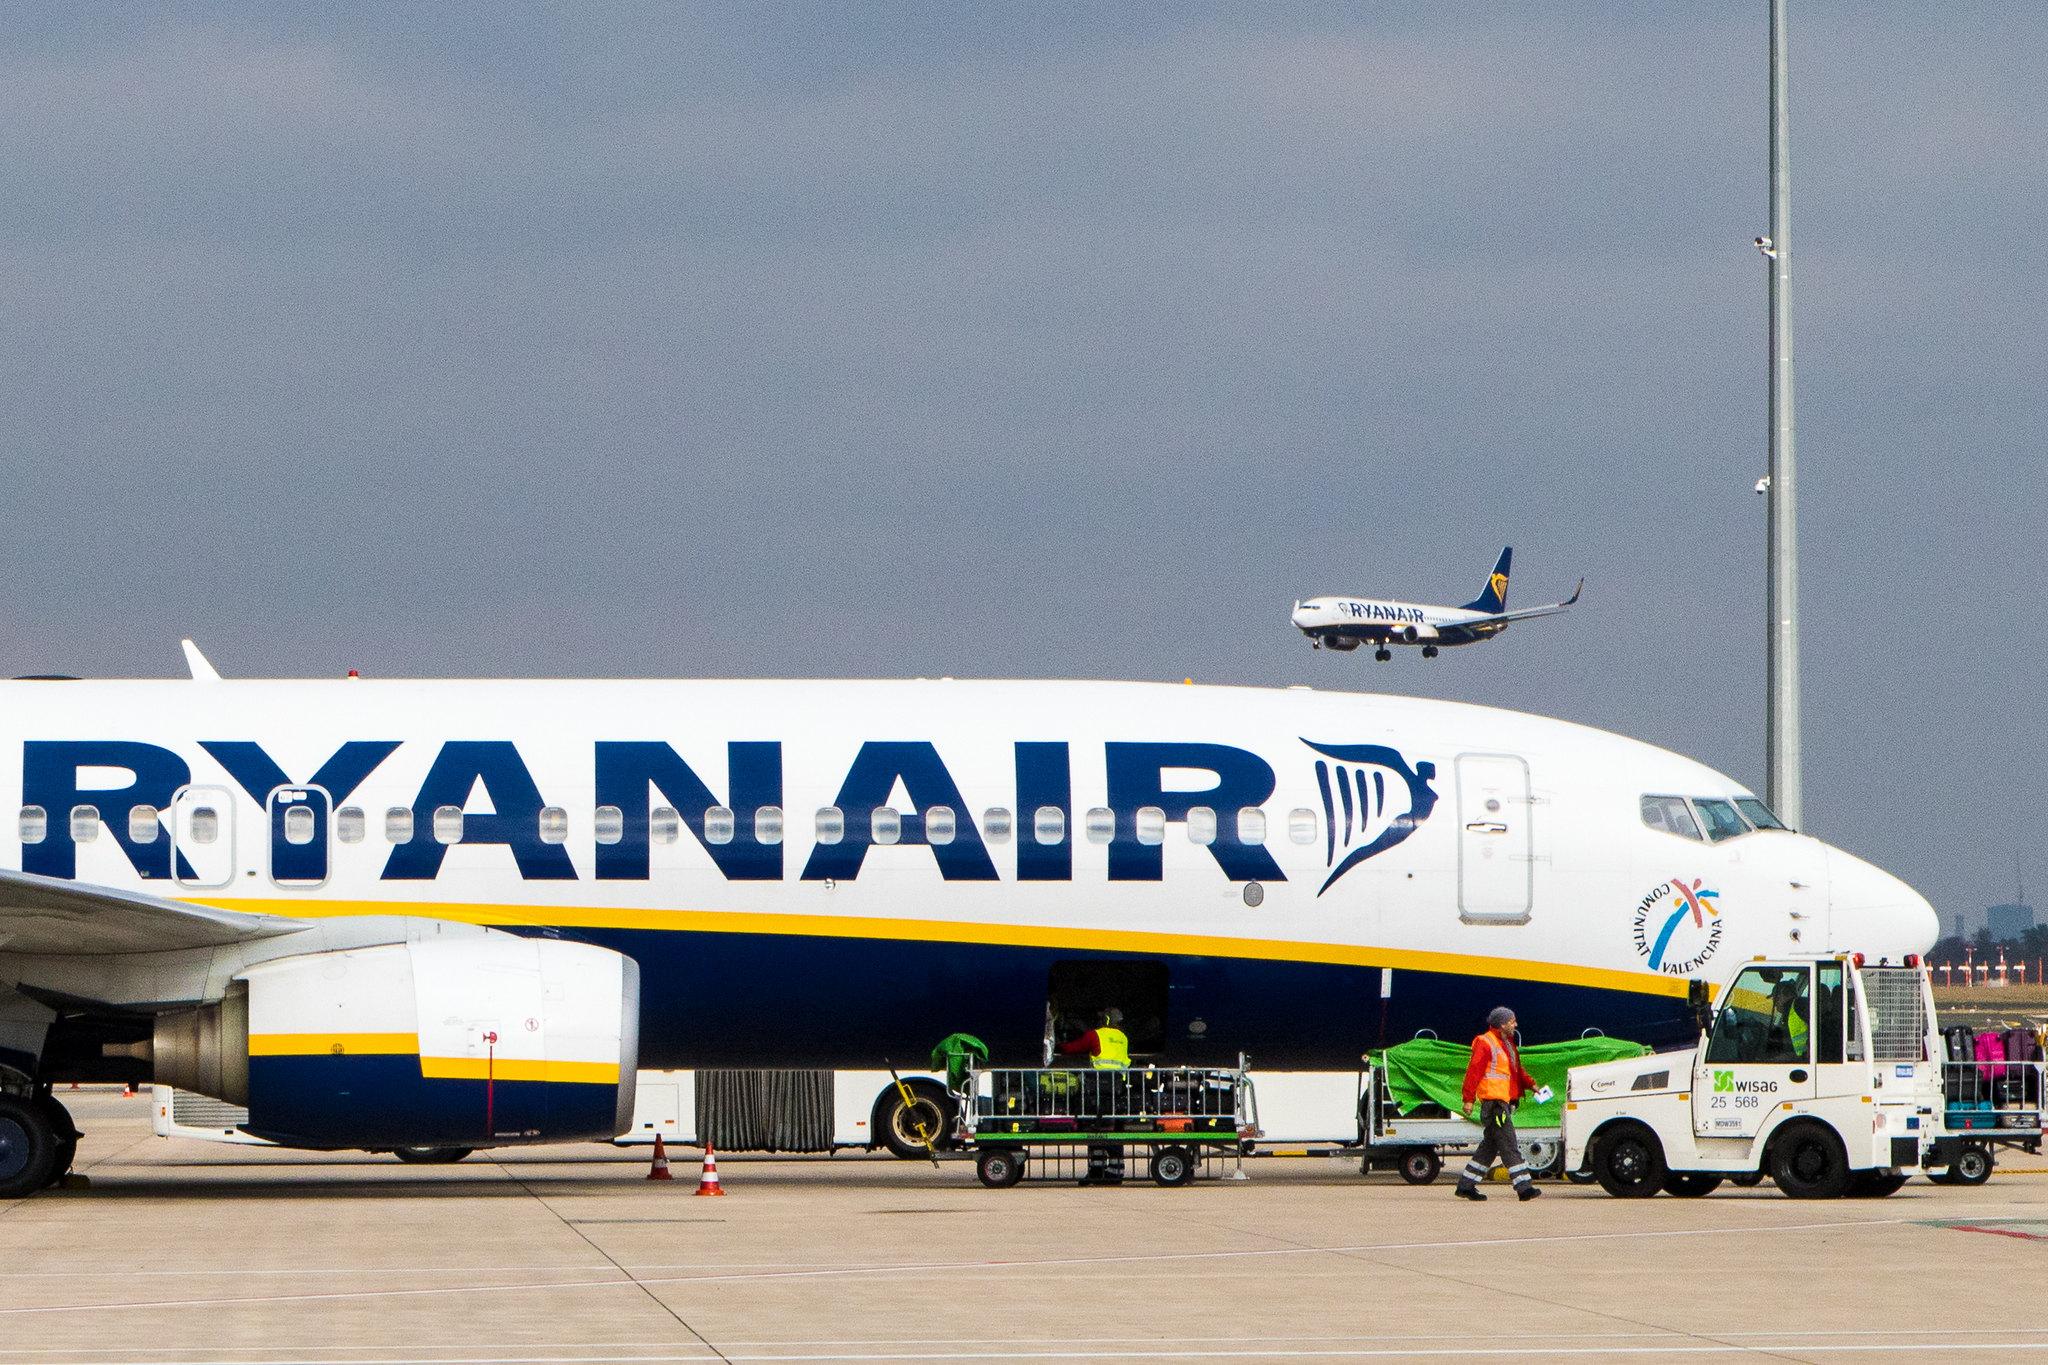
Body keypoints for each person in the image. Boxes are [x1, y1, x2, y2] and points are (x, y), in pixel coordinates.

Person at [1455, 1005, 1542, 1202]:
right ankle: (1524, 1188)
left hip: (1502, 1102)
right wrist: (1468, 1099)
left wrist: (1531, 1085)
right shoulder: (1486, 1043)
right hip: (1494, 1105)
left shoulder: (1506, 1044)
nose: (1516, 1024)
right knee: (1509, 1144)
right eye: (1512, 1021)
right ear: (1502, 1024)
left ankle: (1465, 1186)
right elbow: (1473, 1072)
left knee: (1489, 1147)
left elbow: (1515, 1071)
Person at [1056, 1007, 1130, 1069]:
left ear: (1106, 1019)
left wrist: (1058, 1045)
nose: (1099, 1021)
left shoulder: (1095, 1034)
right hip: (1117, 1081)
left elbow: (1073, 1048)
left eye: (1101, 1018)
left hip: (1096, 1079)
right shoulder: (1123, 1037)